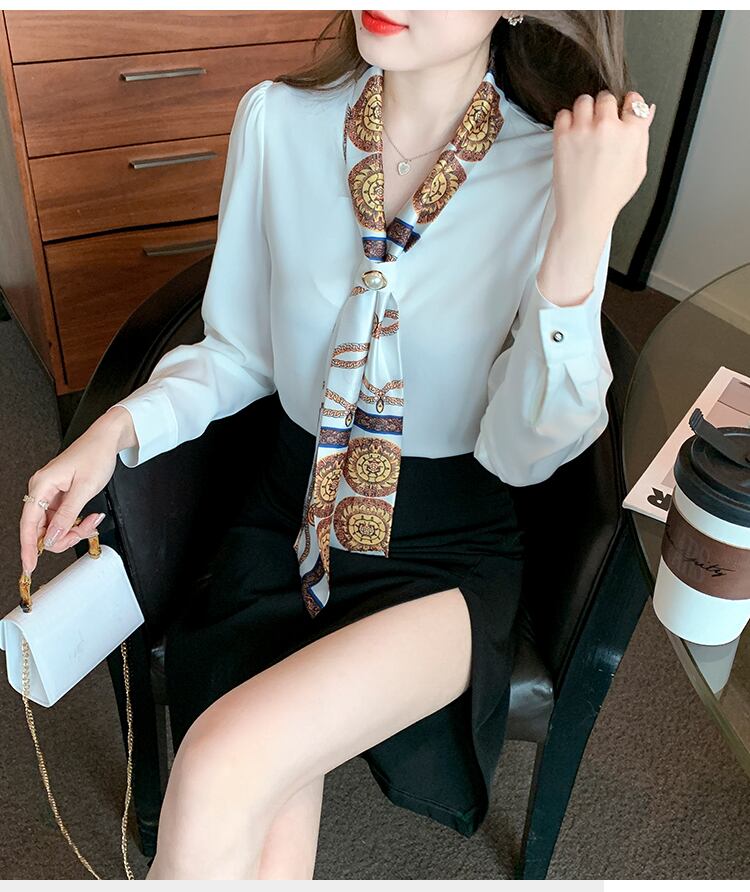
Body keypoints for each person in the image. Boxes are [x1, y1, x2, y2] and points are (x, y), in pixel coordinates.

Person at [19, 10, 654, 880]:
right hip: (288, 520)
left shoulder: (558, 168)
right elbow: (240, 351)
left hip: (440, 550)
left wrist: (579, 234)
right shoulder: (279, 122)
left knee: (218, 765)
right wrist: (112, 432)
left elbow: (522, 454)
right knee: (257, 836)